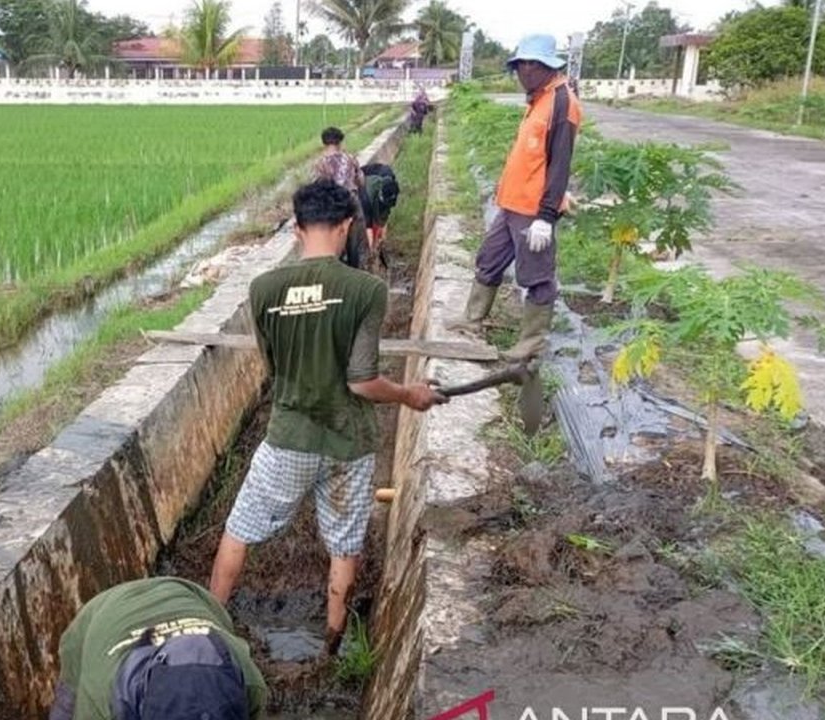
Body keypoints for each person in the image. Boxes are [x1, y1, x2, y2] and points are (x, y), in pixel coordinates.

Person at [208, 179, 446, 655]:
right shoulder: (365, 290)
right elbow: (362, 382)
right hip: (347, 443)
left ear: (297, 228)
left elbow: (273, 367)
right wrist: (408, 395)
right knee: (343, 543)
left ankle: (209, 630)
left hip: (288, 437)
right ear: (346, 226)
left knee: (240, 528)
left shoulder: (264, 289)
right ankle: (333, 643)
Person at [448, 34, 583, 360]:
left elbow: (559, 166)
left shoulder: (562, 104)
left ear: (547, 67)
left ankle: (531, 343)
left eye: (531, 65)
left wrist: (546, 217)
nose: (524, 71)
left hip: (533, 210)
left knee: (537, 277)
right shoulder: (538, 99)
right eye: (520, 64)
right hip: (511, 204)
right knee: (489, 260)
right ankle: (473, 319)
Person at [49, 577, 267, 720]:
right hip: (105, 615)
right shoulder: (101, 700)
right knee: (66, 709)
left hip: (188, 596)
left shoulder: (250, 684)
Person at [312, 126, 371, 269]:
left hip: (332, 204)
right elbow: (361, 181)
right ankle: (358, 270)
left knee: (332, 241)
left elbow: (317, 187)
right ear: (340, 142)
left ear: (324, 143)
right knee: (356, 241)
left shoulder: (320, 163)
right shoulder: (350, 158)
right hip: (351, 200)